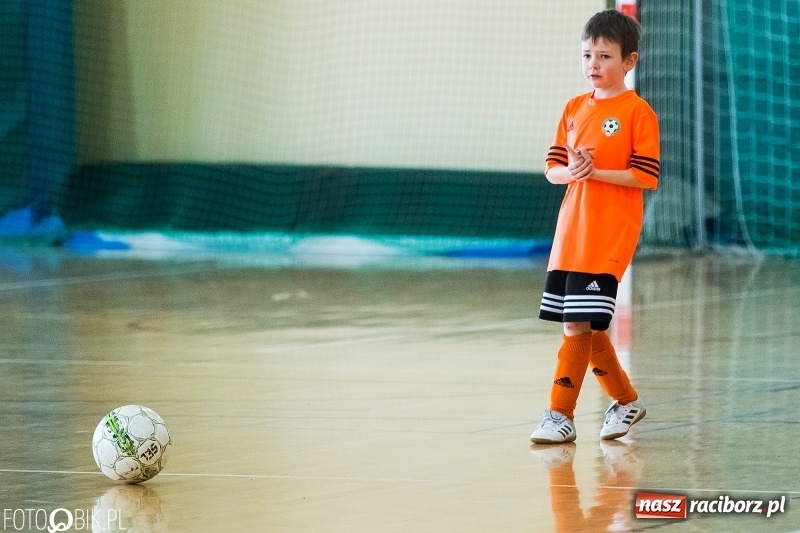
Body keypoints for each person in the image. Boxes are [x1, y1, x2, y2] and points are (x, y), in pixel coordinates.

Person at [530, 9, 660, 444]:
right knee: (584, 323)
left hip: (609, 234)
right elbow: (552, 170)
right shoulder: (571, 108)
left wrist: (596, 171)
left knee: (576, 325)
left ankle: (558, 415)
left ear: (629, 61)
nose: (593, 65)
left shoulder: (637, 112)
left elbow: (644, 176)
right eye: (587, 55)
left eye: (604, 56)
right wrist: (574, 171)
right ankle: (626, 402)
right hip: (571, 233)